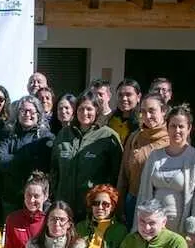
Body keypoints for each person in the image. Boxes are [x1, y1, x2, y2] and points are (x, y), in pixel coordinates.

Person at [136, 104, 195, 248]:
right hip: (154, 230)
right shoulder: (155, 156)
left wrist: (193, 232)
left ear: (189, 129)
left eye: (181, 126)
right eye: (172, 126)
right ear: (167, 127)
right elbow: (144, 195)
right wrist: (139, 227)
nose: (177, 130)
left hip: (182, 232)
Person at [51, 90, 122, 220]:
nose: (85, 113)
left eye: (89, 109)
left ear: (97, 110)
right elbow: (54, 169)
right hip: (64, 206)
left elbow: (116, 174)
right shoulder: (63, 134)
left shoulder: (108, 136)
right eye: (81, 109)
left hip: (93, 207)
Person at [0, 95, 53, 220]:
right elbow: (0, 159)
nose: (27, 114)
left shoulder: (46, 138)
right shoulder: (8, 134)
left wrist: (13, 162)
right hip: (11, 197)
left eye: (31, 111)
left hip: (36, 198)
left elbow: (43, 165)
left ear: (38, 114)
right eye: (23, 111)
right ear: (17, 113)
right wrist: (27, 158)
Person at [118, 93, 169, 229]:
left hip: (159, 205)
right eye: (143, 112)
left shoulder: (170, 140)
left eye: (152, 111)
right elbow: (123, 174)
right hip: (133, 201)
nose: (147, 116)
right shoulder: (135, 137)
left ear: (163, 111)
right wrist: (120, 205)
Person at [109, 79, 142, 144]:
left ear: (138, 97)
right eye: (120, 95)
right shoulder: (109, 120)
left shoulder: (143, 121)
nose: (124, 98)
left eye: (128, 94)